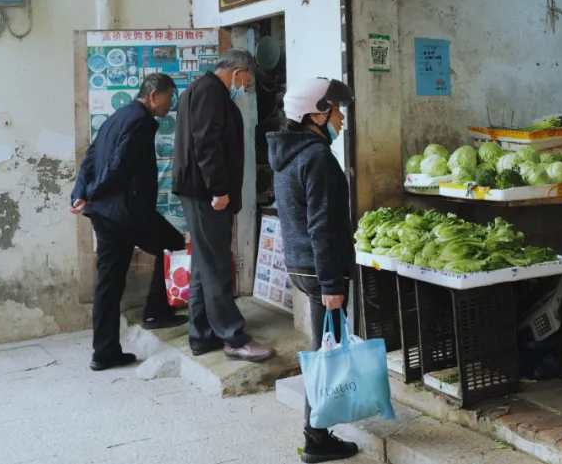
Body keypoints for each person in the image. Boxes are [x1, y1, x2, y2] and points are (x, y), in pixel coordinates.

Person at [267, 77, 359, 463]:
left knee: (327, 349)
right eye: (337, 112)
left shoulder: (289, 151)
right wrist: (332, 282)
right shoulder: (317, 157)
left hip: (302, 265)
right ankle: (316, 439)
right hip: (320, 269)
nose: (341, 120)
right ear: (317, 114)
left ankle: (319, 431)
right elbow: (320, 223)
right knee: (325, 353)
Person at [71, 73, 188, 372]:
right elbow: (118, 166)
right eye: (168, 97)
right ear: (152, 95)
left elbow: (91, 157)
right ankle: (155, 311)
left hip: (106, 214)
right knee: (173, 243)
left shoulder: (117, 116)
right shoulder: (142, 121)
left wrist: (81, 192)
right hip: (125, 213)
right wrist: (91, 193)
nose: (170, 104)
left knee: (109, 284)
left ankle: (104, 351)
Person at [172, 49, 275, 362]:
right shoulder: (209, 91)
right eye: (249, 80)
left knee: (206, 264)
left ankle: (201, 336)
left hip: (200, 191)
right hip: (205, 194)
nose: (246, 87)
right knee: (216, 265)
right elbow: (207, 142)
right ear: (238, 71)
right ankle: (234, 337)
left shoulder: (204, 89)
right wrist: (218, 188)